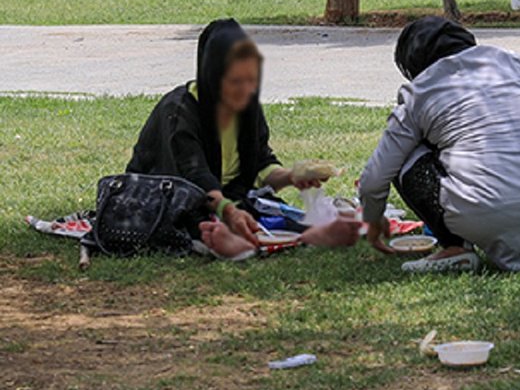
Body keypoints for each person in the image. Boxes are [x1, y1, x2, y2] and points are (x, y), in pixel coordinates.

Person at [358, 17, 520, 274]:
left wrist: (373, 222)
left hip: (485, 214)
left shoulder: (418, 93)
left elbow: (374, 179)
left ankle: (455, 248)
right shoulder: (512, 61)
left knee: (405, 154)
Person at [126, 19, 359, 259]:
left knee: (287, 221)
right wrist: (228, 211)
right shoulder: (180, 113)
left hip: (231, 198)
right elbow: (195, 180)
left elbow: (260, 164)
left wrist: (292, 176)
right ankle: (223, 240)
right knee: (203, 225)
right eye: (235, 81)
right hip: (176, 202)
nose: (245, 90)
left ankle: (245, 238)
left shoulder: (248, 106)